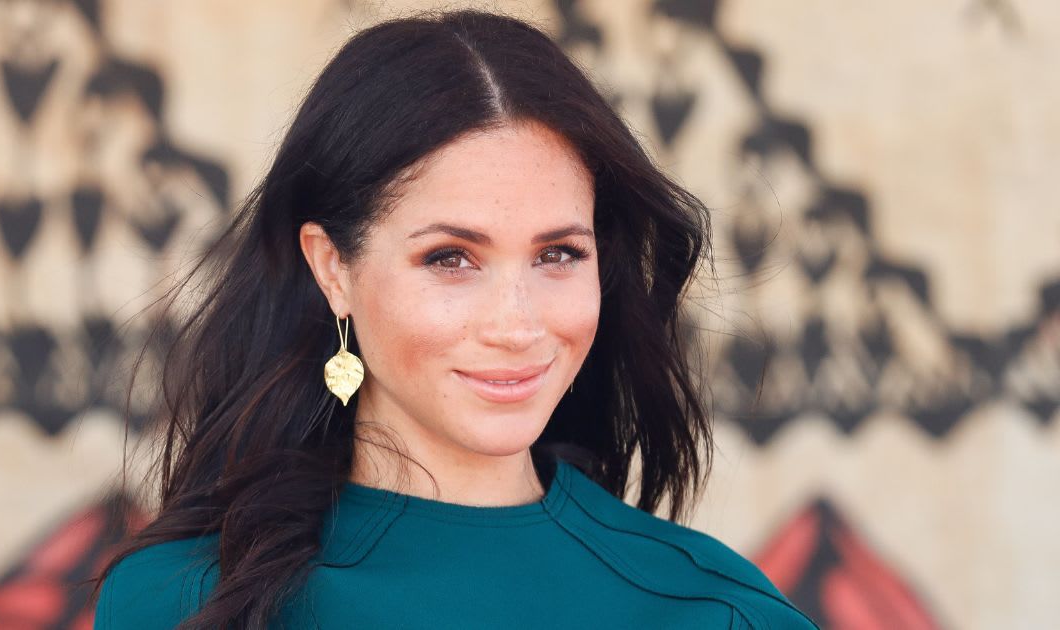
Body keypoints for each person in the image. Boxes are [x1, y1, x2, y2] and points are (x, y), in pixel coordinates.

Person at [92, 8, 818, 630]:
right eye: (451, 258)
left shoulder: (718, 612)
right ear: (333, 268)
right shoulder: (182, 600)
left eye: (558, 254)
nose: (516, 325)